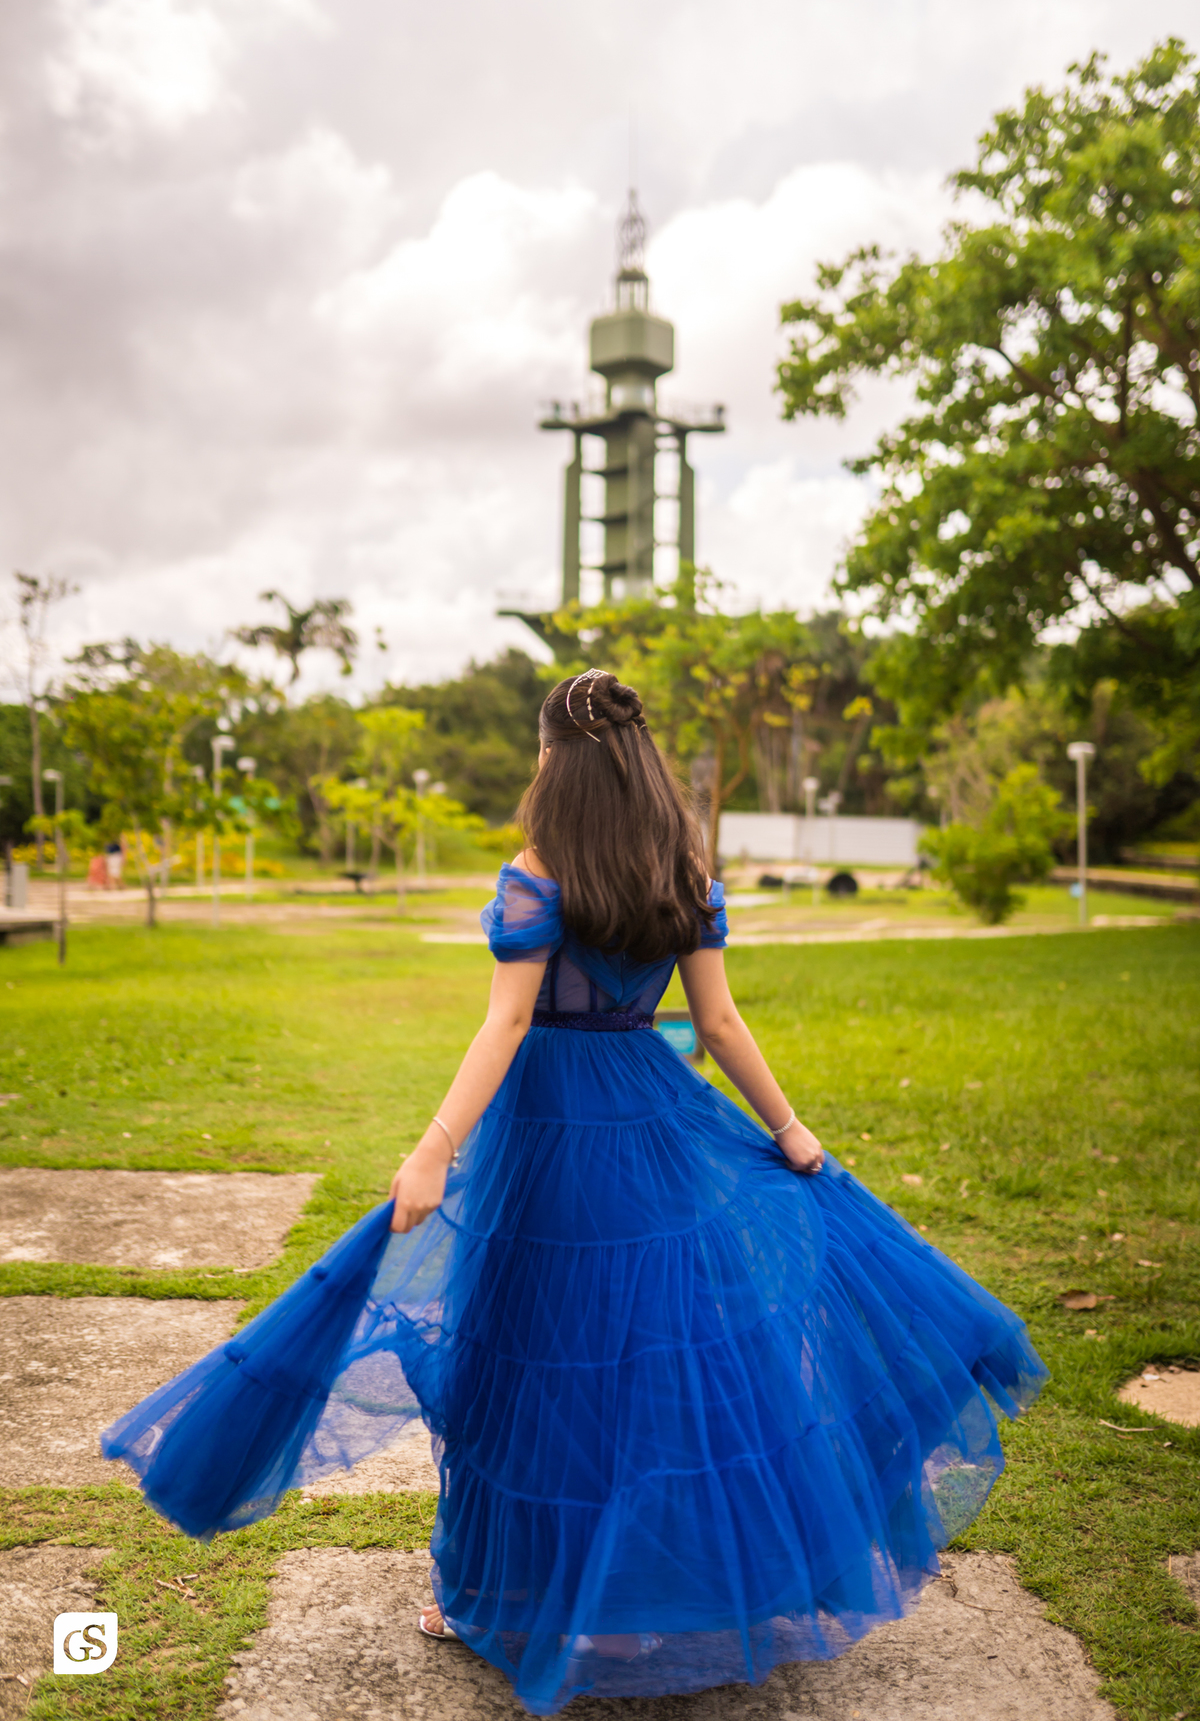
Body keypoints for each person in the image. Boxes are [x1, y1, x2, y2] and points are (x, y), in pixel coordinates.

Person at [102, 670, 1046, 1716]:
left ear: (555, 757)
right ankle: (668, 1591)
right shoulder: (679, 868)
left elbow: (507, 1025)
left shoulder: (537, 869)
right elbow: (718, 1026)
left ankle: (494, 1599)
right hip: (652, 1126)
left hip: (545, 1136)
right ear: (639, 758)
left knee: (523, 1359)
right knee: (661, 1362)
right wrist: (787, 1127)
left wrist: (432, 1151)